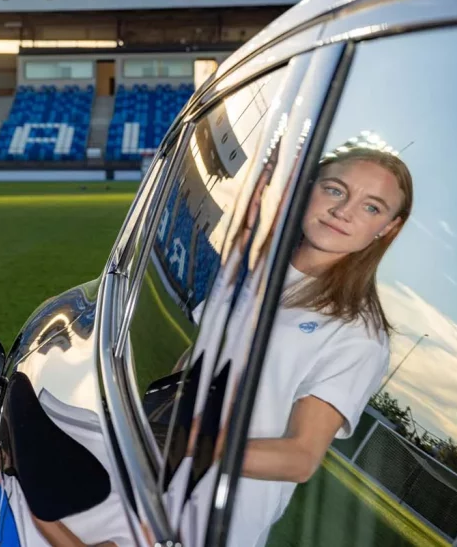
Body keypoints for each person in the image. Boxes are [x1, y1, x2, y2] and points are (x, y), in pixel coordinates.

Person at [170, 141, 414, 547]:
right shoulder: (258, 269)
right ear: (309, 188)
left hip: (209, 521)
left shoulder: (358, 333)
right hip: (153, 472)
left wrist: (186, 440)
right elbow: (200, 358)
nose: (343, 211)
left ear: (389, 228)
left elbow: (300, 457)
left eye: (372, 207)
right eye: (334, 190)